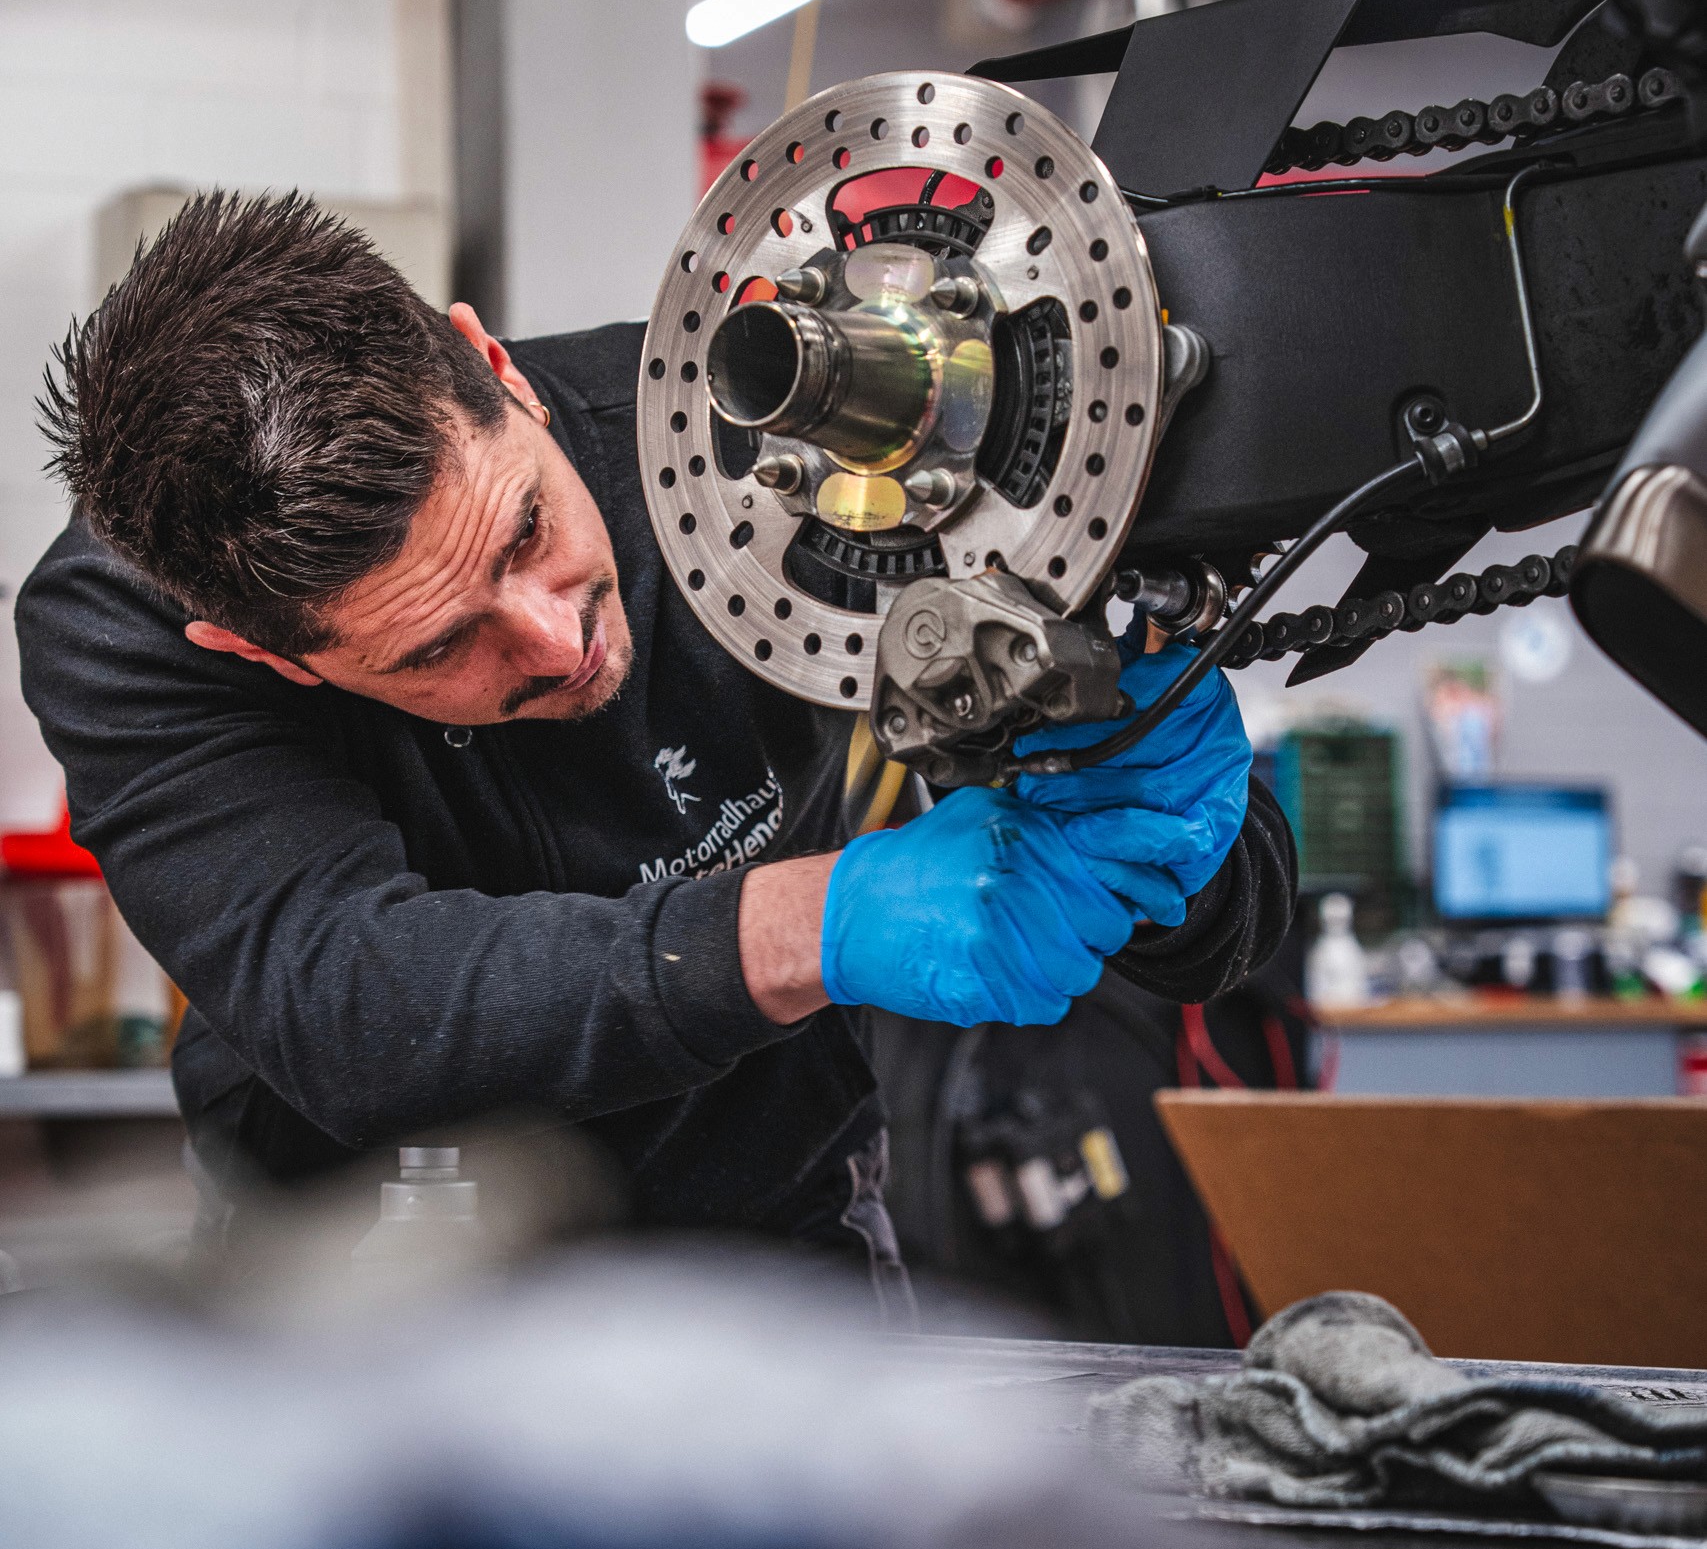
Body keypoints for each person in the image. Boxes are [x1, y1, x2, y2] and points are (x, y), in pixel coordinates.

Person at [15, 194, 1294, 1277]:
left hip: (768, 1236)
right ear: (258, 651)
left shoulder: (751, 437)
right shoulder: (120, 628)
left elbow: (1223, 925)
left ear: (493, 366)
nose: (557, 641)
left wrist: (1164, 841)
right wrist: (817, 919)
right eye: (437, 647)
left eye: (526, 531)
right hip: (370, 1281)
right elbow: (354, 1003)